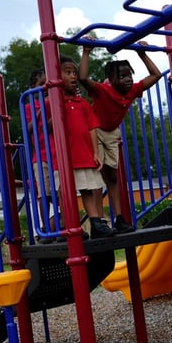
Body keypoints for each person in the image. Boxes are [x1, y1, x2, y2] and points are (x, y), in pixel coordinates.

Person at [80, 39, 162, 234]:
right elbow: (83, 79)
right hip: (95, 130)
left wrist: (142, 54)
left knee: (113, 178)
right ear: (110, 78)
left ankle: (119, 219)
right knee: (98, 177)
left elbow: (156, 74)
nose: (128, 79)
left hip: (111, 133)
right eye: (122, 76)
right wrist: (86, 52)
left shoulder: (132, 90)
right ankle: (98, 222)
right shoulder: (102, 90)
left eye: (129, 75)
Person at [57, 56, 116, 238]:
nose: (73, 76)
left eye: (75, 72)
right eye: (68, 72)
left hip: (84, 155)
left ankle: (96, 223)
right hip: (66, 157)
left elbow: (92, 128)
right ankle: (70, 227)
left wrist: (95, 153)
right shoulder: (55, 102)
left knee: (88, 190)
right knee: (66, 193)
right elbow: (48, 125)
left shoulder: (82, 103)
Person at [24, 68, 65, 243]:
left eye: (48, 85)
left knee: (62, 191)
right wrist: (43, 105)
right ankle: (46, 229)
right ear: (33, 87)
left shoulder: (56, 102)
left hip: (59, 153)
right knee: (44, 193)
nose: (46, 88)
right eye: (42, 85)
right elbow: (30, 128)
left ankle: (64, 225)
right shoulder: (29, 106)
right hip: (40, 157)